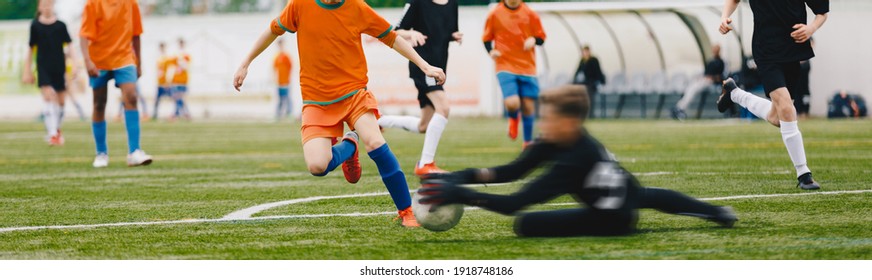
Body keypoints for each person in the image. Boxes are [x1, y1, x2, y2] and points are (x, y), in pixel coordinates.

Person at [232, 0, 447, 227]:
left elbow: (391, 37)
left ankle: (406, 211)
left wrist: (425, 66)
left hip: (354, 93)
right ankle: (350, 147)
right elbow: (272, 31)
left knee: (375, 142)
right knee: (317, 166)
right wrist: (245, 63)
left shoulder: (357, 7)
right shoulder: (299, 5)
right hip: (317, 101)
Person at [418, 85, 737, 237]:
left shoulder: (575, 159)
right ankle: (717, 212)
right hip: (629, 192)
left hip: (613, 218)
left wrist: (462, 195)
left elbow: (514, 204)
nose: (543, 125)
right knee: (647, 195)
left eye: (549, 119)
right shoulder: (557, 139)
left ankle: (714, 213)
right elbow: (510, 171)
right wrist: (455, 178)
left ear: (569, 123)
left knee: (525, 225)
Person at [717, 0, 826, 190]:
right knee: (786, 108)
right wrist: (724, 17)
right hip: (766, 51)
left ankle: (734, 94)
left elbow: (822, 12)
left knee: (779, 118)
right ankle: (804, 174)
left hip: (793, 50)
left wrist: (811, 29)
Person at [378, 0, 462, 176]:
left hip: (439, 69)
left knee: (424, 125)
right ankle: (426, 163)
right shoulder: (417, 2)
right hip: (423, 66)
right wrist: (410, 33)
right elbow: (395, 31)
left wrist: (454, 36)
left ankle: (378, 121)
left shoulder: (453, 3)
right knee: (443, 107)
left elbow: (447, 30)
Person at [80, 0, 153, 168]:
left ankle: (134, 152)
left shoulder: (131, 3)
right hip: (99, 59)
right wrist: (87, 61)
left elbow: (136, 34)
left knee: (132, 96)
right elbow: (84, 36)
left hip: (124, 58)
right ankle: (101, 153)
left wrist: (139, 63)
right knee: (99, 103)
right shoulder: (93, 4)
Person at [483, 0, 546, 148]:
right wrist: (491, 51)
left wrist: (533, 39)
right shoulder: (495, 13)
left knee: (528, 107)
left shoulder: (530, 14)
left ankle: (527, 142)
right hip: (504, 64)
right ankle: (513, 118)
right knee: (512, 103)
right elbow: (486, 39)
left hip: (527, 67)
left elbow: (541, 37)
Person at [22, 0, 74, 146]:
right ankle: (52, 134)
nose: (46, 7)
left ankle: (56, 129)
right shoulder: (35, 26)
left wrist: (75, 65)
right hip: (43, 67)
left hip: (59, 67)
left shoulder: (61, 26)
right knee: (48, 96)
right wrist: (27, 70)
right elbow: (30, 49)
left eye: (48, 4)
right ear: (39, 7)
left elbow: (70, 46)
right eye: (43, 4)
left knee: (61, 102)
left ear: (53, 5)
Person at [673, 44, 725, 120]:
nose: (714, 51)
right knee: (692, 87)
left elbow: (720, 77)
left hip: (713, 84)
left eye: (716, 49)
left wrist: (711, 78)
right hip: (705, 81)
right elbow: (706, 74)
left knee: (696, 87)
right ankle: (680, 107)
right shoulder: (710, 61)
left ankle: (680, 108)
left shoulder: (721, 62)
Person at [572, 45, 605, 119]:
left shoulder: (594, 60)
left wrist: (600, 81)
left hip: (591, 82)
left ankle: (591, 115)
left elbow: (598, 71)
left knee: (590, 98)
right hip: (584, 82)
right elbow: (577, 71)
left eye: (586, 51)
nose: (585, 53)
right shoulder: (582, 60)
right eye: (584, 51)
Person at [170, 38, 191, 121]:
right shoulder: (176, 55)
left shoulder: (186, 55)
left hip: (183, 81)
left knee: (180, 98)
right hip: (176, 80)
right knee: (178, 98)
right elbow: (171, 67)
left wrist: (181, 60)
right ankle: (186, 114)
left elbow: (186, 67)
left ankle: (176, 115)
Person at [273, 38, 293, 121]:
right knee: (280, 100)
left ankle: (289, 114)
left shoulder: (286, 57)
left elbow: (290, 67)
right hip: (279, 83)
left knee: (288, 99)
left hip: (286, 82)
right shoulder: (276, 58)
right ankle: (278, 115)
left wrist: (288, 78)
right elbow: (274, 69)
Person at [152, 42, 174, 120]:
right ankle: (155, 114)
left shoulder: (167, 58)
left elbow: (170, 71)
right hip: (160, 83)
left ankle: (172, 115)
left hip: (166, 83)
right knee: (157, 100)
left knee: (171, 99)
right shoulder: (159, 58)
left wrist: (168, 81)